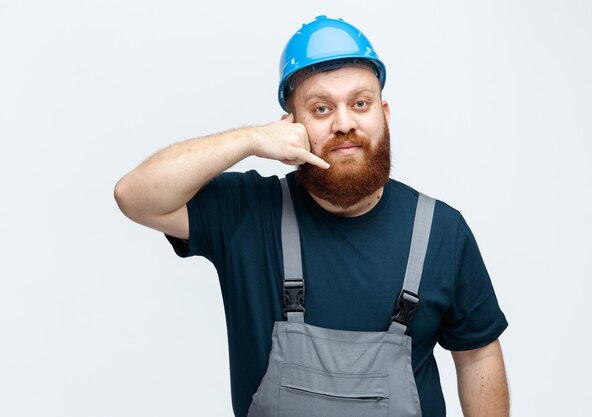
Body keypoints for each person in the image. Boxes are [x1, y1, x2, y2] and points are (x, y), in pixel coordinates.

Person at [115, 15, 509, 417]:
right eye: (321, 108)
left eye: (360, 103)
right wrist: (249, 139)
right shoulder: (248, 212)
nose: (344, 124)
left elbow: (478, 356)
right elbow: (135, 196)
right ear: (291, 125)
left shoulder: (441, 232)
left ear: (384, 113)